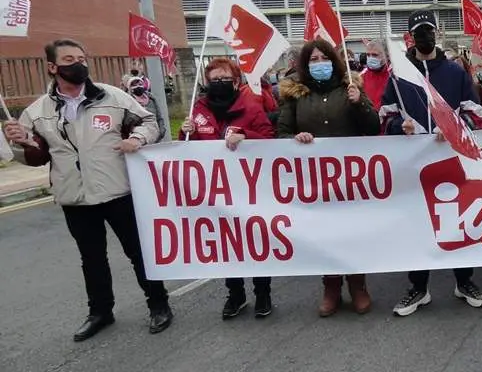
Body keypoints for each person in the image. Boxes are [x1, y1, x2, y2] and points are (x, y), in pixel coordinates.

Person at [2, 39, 172, 341]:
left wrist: (137, 139)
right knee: (91, 258)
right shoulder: (38, 111)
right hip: (75, 197)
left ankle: (159, 304)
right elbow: (36, 156)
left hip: (118, 192)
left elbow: (149, 122)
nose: (79, 63)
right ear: (53, 67)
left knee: (138, 253)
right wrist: (21, 140)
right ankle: (100, 312)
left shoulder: (112, 97)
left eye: (82, 58)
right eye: (70, 59)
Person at [381, 9, 482, 317]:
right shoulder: (398, 74)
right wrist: (397, 128)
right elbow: (385, 114)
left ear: (437, 34)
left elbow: (475, 112)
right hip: (414, 162)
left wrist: (454, 128)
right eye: (419, 32)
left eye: (429, 30)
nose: (425, 36)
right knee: (418, 224)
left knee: (457, 220)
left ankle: (463, 281)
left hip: (452, 159)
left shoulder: (455, 73)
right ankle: (419, 287)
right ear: (410, 37)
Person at [278, 38, 381, 317]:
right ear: (304, 65)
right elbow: (281, 132)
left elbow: (373, 128)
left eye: (324, 59)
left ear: (334, 61)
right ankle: (331, 288)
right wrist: (294, 138)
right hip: (314, 181)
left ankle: (358, 286)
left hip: (349, 180)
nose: (319, 64)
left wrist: (359, 103)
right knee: (324, 235)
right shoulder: (295, 95)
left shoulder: (350, 88)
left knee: (351, 232)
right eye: (313, 60)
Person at [180, 58, 276, 320]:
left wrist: (247, 136)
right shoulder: (198, 110)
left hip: (248, 188)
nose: (219, 84)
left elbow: (269, 139)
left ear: (236, 82)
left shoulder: (251, 108)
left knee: (255, 240)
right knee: (225, 244)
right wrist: (184, 133)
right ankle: (235, 294)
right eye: (214, 80)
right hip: (215, 191)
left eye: (224, 79)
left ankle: (263, 292)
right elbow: (186, 153)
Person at [127, 75, 166, 142]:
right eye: (134, 85)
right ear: (130, 88)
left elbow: (159, 117)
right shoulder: (128, 102)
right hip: (139, 138)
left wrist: (161, 130)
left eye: (140, 84)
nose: (138, 87)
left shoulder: (151, 99)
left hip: (156, 136)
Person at [361, 39, 391, 110]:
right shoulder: (362, 76)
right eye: (368, 55)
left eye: (375, 55)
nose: (371, 58)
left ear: (387, 56)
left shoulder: (394, 75)